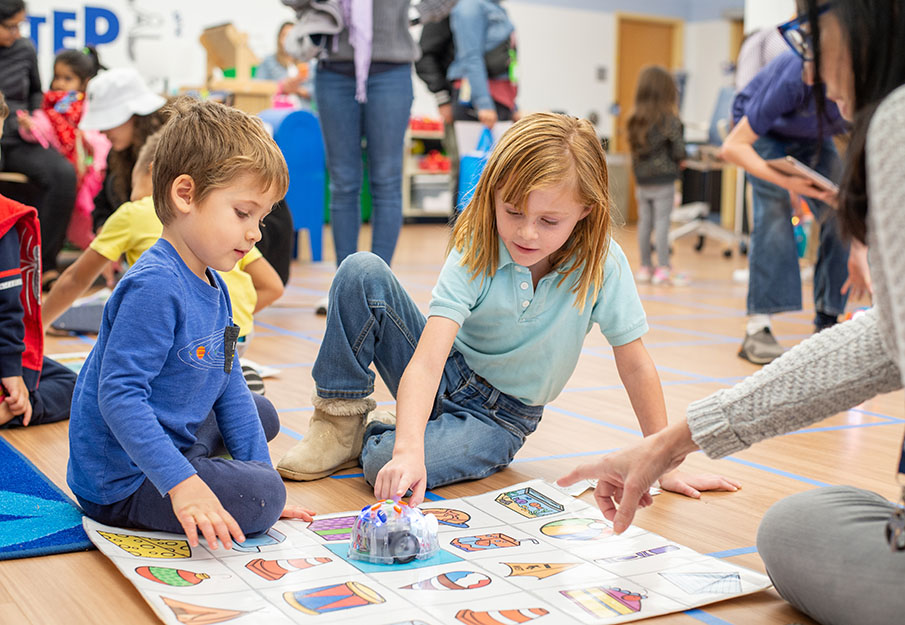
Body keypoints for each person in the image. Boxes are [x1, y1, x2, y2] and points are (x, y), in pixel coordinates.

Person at [558, 2, 905, 622]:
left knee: (796, 532)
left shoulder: (893, 120)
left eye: (810, 33)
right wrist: (672, 442)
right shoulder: (821, 99)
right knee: (805, 519)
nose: (809, 60)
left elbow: (882, 344)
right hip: (777, 166)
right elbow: (884, 339)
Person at [276, 113, 739, 506]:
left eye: (549, 221)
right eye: (513, 212)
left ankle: (390, 431)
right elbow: (430, 357)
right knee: (361, 271)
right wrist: (411, 447)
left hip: (500, 419)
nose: (528, 234)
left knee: (383, 462)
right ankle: (341, 425)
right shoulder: (478, 244)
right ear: (493, 193)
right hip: (448, 374)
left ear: (586, 212)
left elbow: (636, 365)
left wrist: (662, 460)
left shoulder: (602, 264)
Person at [67, 98, 314, 547]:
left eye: (261, 218)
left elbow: (230, 383)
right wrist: (184, 484)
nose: (256, 232)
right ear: (185, 195)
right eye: (243, 213)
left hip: (164, 439)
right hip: (118, 481)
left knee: (261, 416)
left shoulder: (215, 285)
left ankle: (209, 471)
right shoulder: (155, 285)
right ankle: (190, 473)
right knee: (263, 493)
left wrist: (259, 476)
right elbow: (119, 397)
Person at [42, 130, 284, 361]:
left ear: (151, 172)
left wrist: (37, 326)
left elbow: (76, 279)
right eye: (243, 213)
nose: (256, 234)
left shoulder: (133, 213)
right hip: (237, 339)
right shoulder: (228, 233)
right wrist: (234, 318)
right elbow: (273, 287)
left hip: (187, 347)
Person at [281, 0, 456, 270]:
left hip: (391, 70)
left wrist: (418, 12)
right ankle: (345, 284)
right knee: (343, 182)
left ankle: (377, 284)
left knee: (386, 179)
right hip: (333, 70)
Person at [721, 48, 861, 365]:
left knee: (843, 211)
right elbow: (733, 147)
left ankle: (827, 323)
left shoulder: (864, 89)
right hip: (761, 132)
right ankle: (759, 326)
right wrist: (788, 183)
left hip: (813, 137)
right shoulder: (795, 75)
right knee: (773, 214)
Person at [0, 91, 78, 427]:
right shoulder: (3, 217)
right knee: (74, 385)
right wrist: (11, 371)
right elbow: (8, 302)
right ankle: (17, 407)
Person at [0, 0, 77, 281]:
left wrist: (31, 116)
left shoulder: (24, 48)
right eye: (9, 26)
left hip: (19, 137)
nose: (16, 33)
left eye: (20, 25)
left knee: (63, 174)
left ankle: (42, 267)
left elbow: (35, 92)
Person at [17, 47, 110, 250]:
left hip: (89, 173)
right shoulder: (48, 108)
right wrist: (29, 128)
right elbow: (41, 130)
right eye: (57, 77)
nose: (60, 83)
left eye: (68, 78)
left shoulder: (90, 108)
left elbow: (100, 138)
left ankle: (101, 254)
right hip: (65, 169)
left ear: (84, 83)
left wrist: (94, 159)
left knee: (89, 216)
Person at [78, 67, 170, 232]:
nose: (101, 131)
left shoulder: (172, 151)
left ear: (133, 116)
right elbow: (102, 205)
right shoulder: (116, 154)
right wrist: (102, 227)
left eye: (107, 123)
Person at [627, 65, 687, 286]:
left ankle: (645, 267)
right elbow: (680, 151)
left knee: (645, 223)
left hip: (642, 181)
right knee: (662, 223)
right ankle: (663, 267)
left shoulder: (634, 119)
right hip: (664, 181)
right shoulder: (670, 120)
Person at [447, 0, 518, 128]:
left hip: (500, 100)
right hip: (478, 101)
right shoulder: (470, 6)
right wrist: (483, 104)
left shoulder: (495, 7)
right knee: (475, 148)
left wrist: (513, 107)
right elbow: (471, 57)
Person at [255, 21, 314, 106]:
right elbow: (258, 86)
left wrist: (298, 90)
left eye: (292, 36)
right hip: (276, 112)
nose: (288, 40)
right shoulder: (268, 61)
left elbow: (319, 90)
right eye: (285, 35)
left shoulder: (308, 63)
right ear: (279, 38)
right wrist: (281, 87)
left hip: (302, 111)